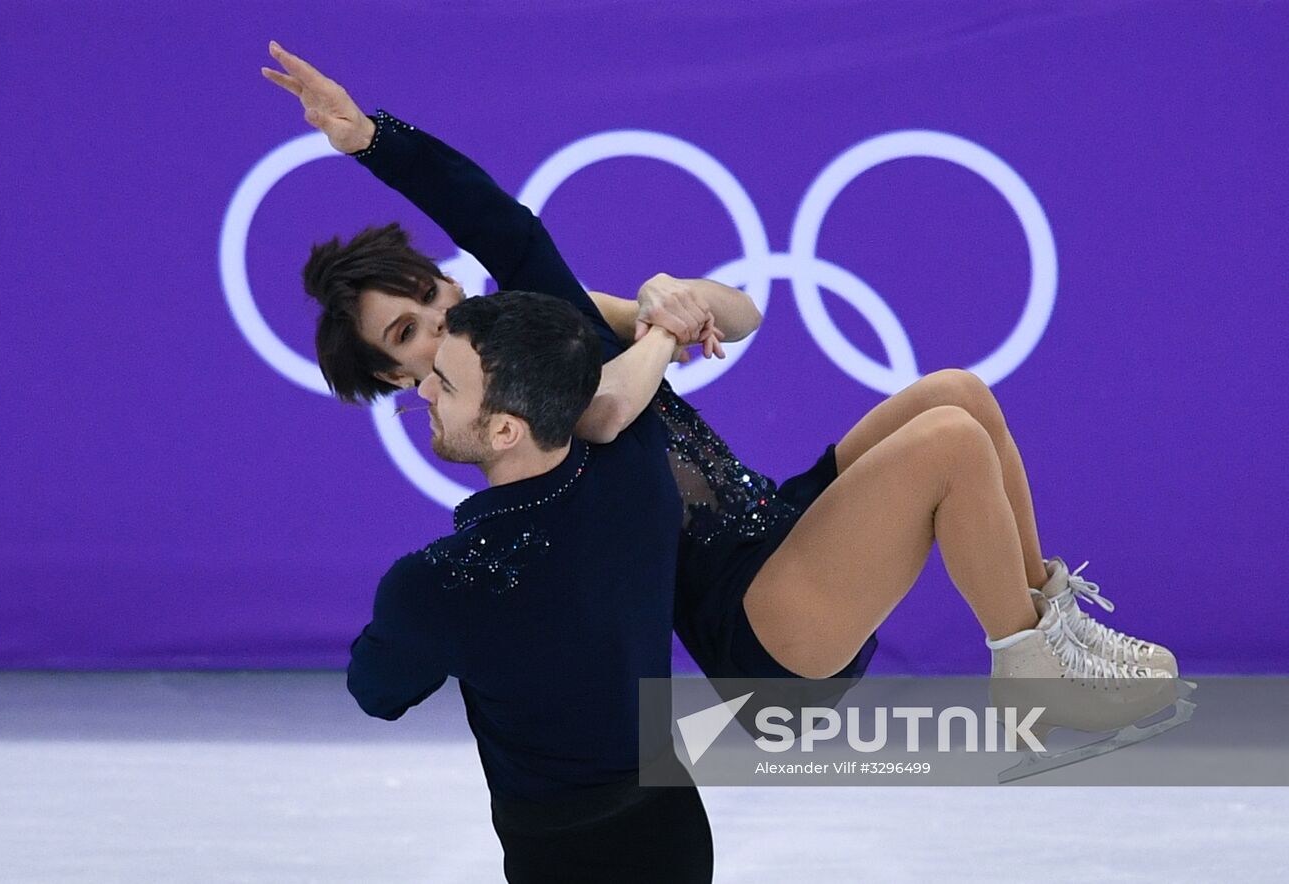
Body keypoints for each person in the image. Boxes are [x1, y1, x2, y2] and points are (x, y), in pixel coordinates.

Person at [263, 43, 1183, 758]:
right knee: (947, 441)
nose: (440, 318)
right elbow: (606, 408)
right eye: (409, 333)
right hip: (756, 629)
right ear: (398, 377)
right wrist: (660, 333)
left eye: (429, 294)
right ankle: (1027, 667)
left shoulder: (544, 327)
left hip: (772, 531)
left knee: (957, 393)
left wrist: (678, 294)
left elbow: (738, 313)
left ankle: (1050, 628)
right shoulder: (510, 428)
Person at [348, 288, 713, 882]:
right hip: (677, 833)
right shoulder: (639, 463)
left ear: (505, 432)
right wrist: (666, 329)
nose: (424, 391)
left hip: (560, 858)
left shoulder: (439, 584)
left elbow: (377, 692)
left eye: (447, 385)